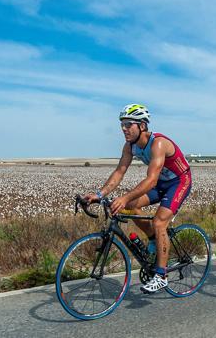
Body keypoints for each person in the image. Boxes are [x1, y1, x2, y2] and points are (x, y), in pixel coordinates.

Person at [83, 104, 192, 294]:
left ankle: (161, 275)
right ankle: (152, 239)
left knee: (159, 223)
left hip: (178, 182)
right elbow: (119, 172)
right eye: (122, 125)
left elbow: (150, 180)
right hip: (160, 184)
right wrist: (100, 194)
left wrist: (123, 198)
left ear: (142, 126)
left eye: (128, 124)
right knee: (131, 207)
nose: (124, 129)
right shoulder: (130, 146)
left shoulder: (158, 143)